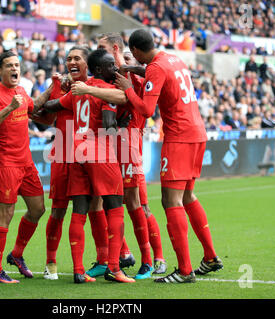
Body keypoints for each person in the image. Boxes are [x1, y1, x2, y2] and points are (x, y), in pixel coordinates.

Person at [116, 29, 223, 283]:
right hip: (197, 132)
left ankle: (185, 271)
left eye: (134, 57)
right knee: (187, 195)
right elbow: (156, 75)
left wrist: (129, 88)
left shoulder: (156, 68)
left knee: (170, 200)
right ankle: (209, 257)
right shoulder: (172, 59)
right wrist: (133, 71)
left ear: (138, 52)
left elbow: (146, 108)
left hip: (179, 137)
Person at [72, 33, 167, 279]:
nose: (99, 53)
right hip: (107, 143)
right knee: (103, 202)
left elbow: (145, 100)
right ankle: (113, 257)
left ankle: (153, 259)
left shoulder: (130, 72)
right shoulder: (109, 77)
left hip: (127, 140)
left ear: (115, 48)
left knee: (136, 202)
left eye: (102, 48)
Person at [38, 49, 135, 284]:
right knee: (115, 208)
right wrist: (121, 124)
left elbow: (53, 105)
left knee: (79, 211)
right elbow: (110, 125)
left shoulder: (77, 90)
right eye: (111, 65)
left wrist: (35, 109)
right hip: (98, 149)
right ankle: (114, 267)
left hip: (74, 150)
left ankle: (78, 271)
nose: (115, 68)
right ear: (100, 69)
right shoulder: (108, 91)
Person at [0, 50, 54, 284]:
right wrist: (10, 107)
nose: (14, 69)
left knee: (38, 209)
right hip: (5, 164)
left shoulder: (21, 91)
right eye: (9, 65)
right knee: (6, 215)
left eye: (17, 65)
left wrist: (53, 87)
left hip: (26, 163)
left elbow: (35, 106)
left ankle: (17, 254)